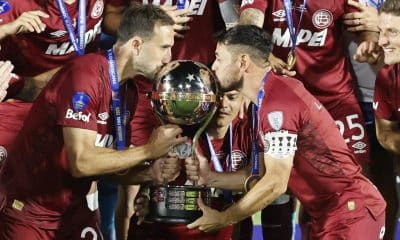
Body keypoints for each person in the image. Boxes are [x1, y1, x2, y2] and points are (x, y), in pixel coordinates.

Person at [0, 5, 187, 240]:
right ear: (137, 45)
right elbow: (81, 162)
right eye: (164, 47)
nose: (169, 58)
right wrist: (148, 150)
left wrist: (150, 172)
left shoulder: (127, 91)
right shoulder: (86, 74)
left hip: (73, 213)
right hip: (30, 214)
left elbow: (110, 168)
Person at [187, 25, 386, 240]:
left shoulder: (278, 103)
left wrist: (224, 218)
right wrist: (211, 178)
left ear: (243, 62)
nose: (214, 67)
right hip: (333, 214)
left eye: (219, 58)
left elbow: (275, 183)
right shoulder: (269, 98)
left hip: (351, 213)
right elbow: (260, 175)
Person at [373, 1, 400, 238]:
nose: (381, 41)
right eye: (380, 31)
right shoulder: (387, 76)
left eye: (392, 32)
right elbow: (385, 133)